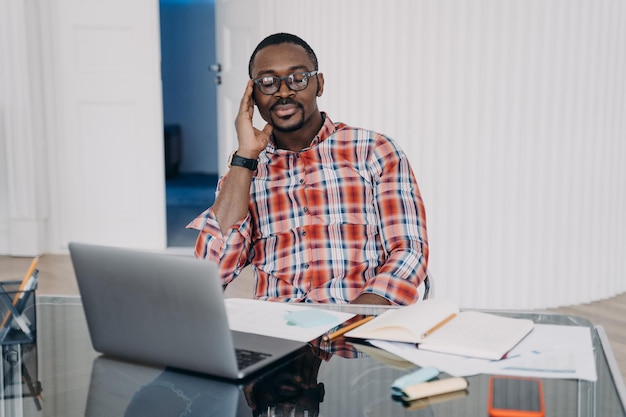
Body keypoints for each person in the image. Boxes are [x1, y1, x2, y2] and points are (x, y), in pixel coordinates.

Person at [188, 32, 428, 305]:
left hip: (357, 322)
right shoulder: (241, 175)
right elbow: (211, 274)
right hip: (276, 328)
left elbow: (408, 250)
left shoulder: (374, 151)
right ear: (253, 94)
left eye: (298, 78)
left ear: (319, 84)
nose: (283, 91)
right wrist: (245, 157)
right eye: (267, 82)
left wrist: (359, 319)